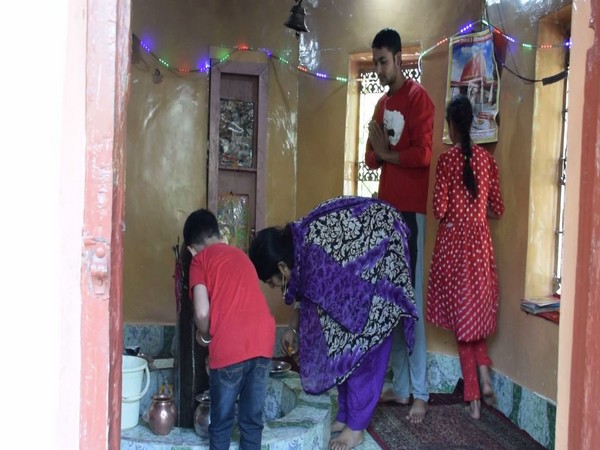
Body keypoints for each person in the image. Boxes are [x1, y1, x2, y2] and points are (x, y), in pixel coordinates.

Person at [249, 196, 417, 450]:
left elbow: (351, 318)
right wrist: (293, 330)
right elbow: (309, 298)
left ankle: (356, 428)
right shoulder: (299, 247)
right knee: (338, 340)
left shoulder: (312, 252)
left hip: (384, 257)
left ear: (282, 267)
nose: (271, 286)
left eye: (269, 280)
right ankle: (346, 415)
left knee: (359, 346)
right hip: (365, 263)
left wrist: (357, 328)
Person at [366, 27, 434, 423]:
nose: (377, 68)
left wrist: (387, 153)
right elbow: (371, 159)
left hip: (410, 213)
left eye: (383, 61)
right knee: (389, 302)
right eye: (374, 61)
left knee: (412, 304)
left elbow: (423, 155)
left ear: (400, 59)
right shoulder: (379, 105)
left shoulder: (418, 99)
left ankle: (421, 392)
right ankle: (402, 386)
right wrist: (382, 153)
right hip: (385, 213)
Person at [426, 95, 504, 419]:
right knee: (476, 313)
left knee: (462, 321)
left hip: (454, 248)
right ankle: (484, 369)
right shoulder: (488, 161)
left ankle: (473, 399)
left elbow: (439, 209)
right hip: (480, 245)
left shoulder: (446, 161)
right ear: (470, 123)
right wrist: (477, 213)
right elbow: (497, 208)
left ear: (451, 127)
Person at [183, 209, 275, 449]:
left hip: (230, 346)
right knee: (252, 421)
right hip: (263, 343)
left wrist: (203, 335)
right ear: (217, 234)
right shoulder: (241, 255)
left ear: (192, 248)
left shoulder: (199, 260)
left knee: (221, 423)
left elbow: (202, 312)